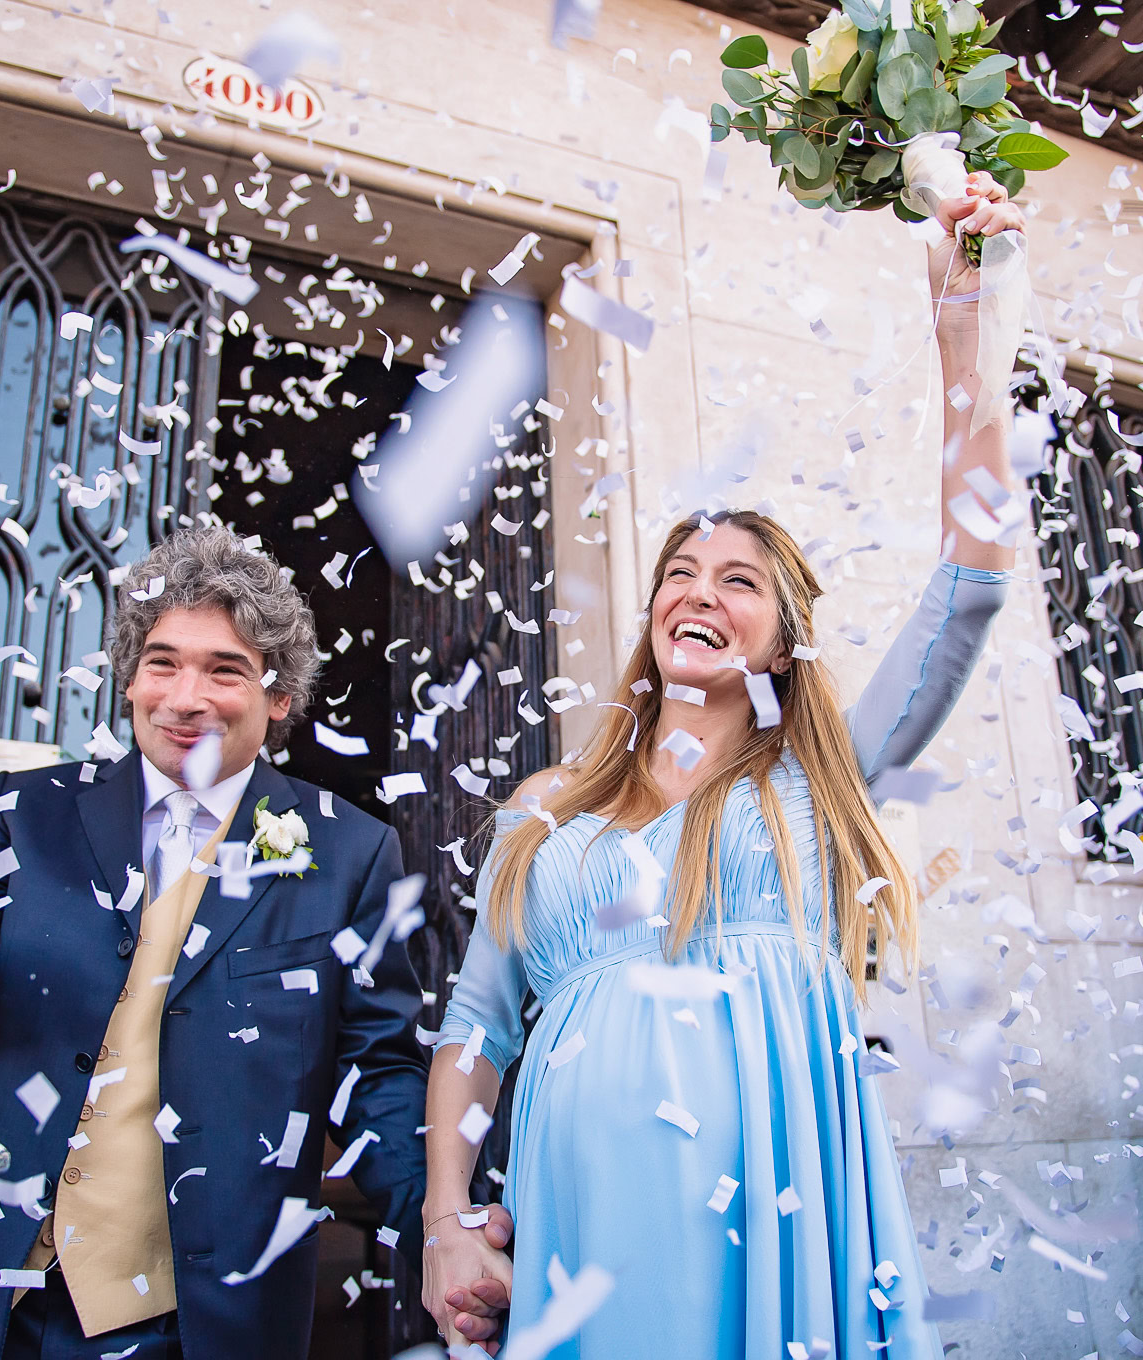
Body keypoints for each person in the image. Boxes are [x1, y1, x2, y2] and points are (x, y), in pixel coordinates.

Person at [419, 174, 1026, 1357]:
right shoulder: (543, 810)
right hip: (580, 1208)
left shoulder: (820, 774)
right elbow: (475, 1026)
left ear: (784, 637)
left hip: (775, 1188)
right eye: (680, 574)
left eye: (739, 579)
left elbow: (971, 594)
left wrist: (968, 346)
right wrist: (448, 1219)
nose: (699, 592)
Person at [0, 525, 507, 1359]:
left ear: (279, 697)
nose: (186, 696)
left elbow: (376, 1076)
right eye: (162, 662)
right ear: (128, 677)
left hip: (194, 1327)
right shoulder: (25, 811)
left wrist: (447, 1225)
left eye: (225, 669)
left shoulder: (347, 854)